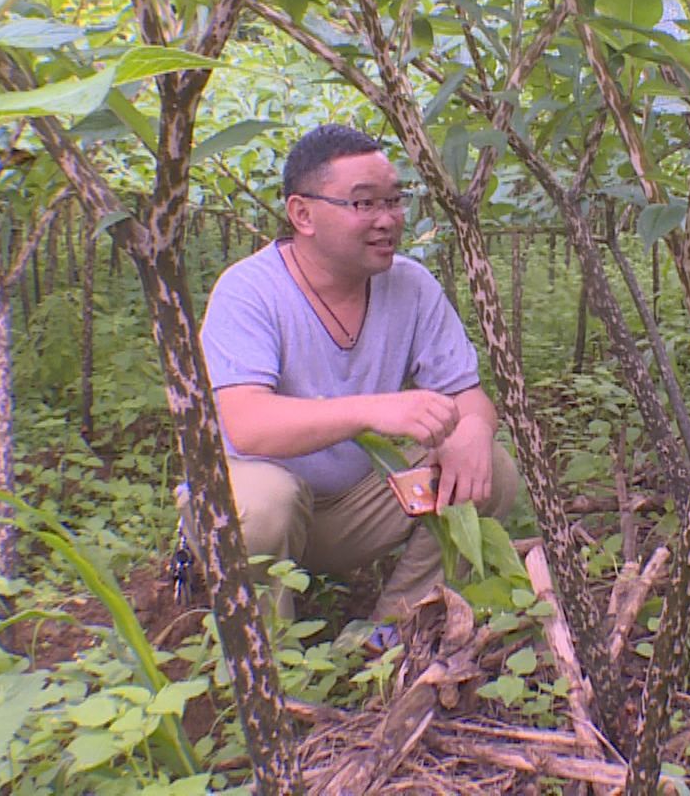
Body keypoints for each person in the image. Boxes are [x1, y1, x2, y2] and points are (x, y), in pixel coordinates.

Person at [195, 123, 520, 640]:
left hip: (353, 507)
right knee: (263, 504)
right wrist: (372, 409)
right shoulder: (248, 291)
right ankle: (270, 658)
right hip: (259, 505)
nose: (388, 220)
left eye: (395, 200)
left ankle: (397, 630)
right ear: (302, 213)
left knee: (490, 469)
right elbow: (248, 426)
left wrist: (472, 433)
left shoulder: (410, 285)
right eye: (364, 204)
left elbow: (468, 397)